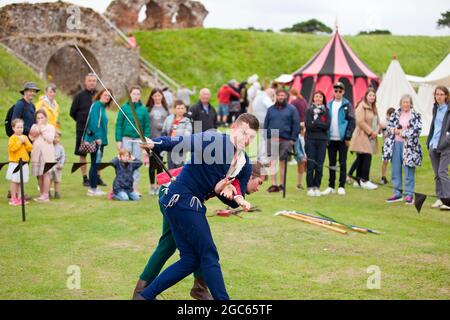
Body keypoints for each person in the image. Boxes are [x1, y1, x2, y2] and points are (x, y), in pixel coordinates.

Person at [137, 113, 260, 300]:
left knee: (190, 260)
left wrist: (236, 198)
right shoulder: (215, 140)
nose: (247, 139)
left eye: (251, 137)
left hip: (190, 204)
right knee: (209, 254)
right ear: (234, 127)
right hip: (180, 198)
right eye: (244, 133)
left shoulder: (245, 164)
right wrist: (155, 143)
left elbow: (232, 195)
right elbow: (184, 142)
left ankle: (145, 296)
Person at [383, 95, 422, 205]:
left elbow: (417, 130)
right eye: (404, 102)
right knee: (395, 169)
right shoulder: (396, 114)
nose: (405, 104)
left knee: (409, 170)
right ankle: (397, 193)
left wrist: (403, 133)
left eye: (407, 102)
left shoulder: (415, 115)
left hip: (409, 147)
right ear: (401, 103)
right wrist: (394, 130)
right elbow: (389, 126)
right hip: (396, 144)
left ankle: (409, 194)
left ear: (411, 103)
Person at [321, 82, 355, 196]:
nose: (338, 93)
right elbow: (325, 120)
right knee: (331, 162)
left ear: (343, 92)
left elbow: (352, 121)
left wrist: (348, 136)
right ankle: (331, 186)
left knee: (342, 162)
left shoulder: (347, 104)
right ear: (333, 91)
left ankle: (341, 186)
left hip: (342, 139)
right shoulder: (329, 105)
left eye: (340, 91)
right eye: (336, 91)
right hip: (331, 138)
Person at [115, 85, 150, 195]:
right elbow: (119, 124)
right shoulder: (124, 108)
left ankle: (134, 188)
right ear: (130, 95)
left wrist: (145, 141)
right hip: (126, 138)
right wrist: (118, 140)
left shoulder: (143, 110)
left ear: (140, 95)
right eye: (134, 94)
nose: (136, 96)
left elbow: (146, 127)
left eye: (138, 94)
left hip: (138, 140)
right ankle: (122, 186)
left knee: (136, 163)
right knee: (124, 162)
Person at [264, 89, 300, 193]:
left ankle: (282, 185)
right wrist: (267, 137)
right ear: (276, 96)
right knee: (272, 163)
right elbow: (266, 124)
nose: (280, 97)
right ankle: (274, 184)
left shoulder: (292, 109)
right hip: (272, 138)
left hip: (285, 139)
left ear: (286, 96)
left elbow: (296, 124)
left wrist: (293, 139)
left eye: (282, 95)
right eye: (279, 95)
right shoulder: (270, 109)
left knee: (283, 162)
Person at [70, 73, 97, 187]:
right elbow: (72, 112)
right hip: (82, 129)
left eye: (94, 81)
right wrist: (82, 121)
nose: (92, 83)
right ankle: (85, 177)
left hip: (96, 131)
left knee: (96, 154)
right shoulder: (79, 96)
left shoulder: (99, 95)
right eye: (90, 80)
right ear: (85, 82)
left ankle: (95, 177)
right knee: (83, 154)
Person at [349, 88, 379, 190]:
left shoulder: (373, 107)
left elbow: (375, 121)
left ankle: (357, 181)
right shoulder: (361, 106)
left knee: (361, 158)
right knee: (366, 156)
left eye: (373, 95)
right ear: (366, 96)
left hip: (370, 136)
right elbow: (360, 121)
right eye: (370, 95)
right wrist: (371, 131)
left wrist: (377, 129)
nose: (372, 97)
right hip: (362, 135)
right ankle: (364, 180)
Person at [84, 88, 112, 197]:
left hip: (101, 140)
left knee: (96, 163)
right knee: (95, 163)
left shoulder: (102, 107)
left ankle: (94, 187)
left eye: (109, 96)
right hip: (96, 140)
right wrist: (97, 136)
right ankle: (92, 188)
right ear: (100, 95)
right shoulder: (97, 105)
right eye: (105, 95)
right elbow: (93, 122)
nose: (107, 97)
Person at [427, 86, 450, 210]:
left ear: (446, 96)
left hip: (446, 147)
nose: (439, 96)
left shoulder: (449, 109)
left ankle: (448, 199)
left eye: (441, 94)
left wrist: (445, 142)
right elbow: (434, 126)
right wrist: (429, 142)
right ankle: (440, 198)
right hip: (433, 145)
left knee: (442, 172)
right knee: (437, 174)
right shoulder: (435, 108)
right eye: (437, 94)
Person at [304, 91, 331, 197]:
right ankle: (310, 187)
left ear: (323, 99)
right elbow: (308, 125)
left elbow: (327, 126)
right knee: (311, 165)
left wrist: (315, 123)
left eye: (320, 97)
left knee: (319, 165)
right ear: (313, 98)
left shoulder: (326, 111)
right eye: (316, 96)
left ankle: (317, 186)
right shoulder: (309, 110)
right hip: (310, 140)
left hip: (322, 140)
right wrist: (319, 124)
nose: (318, 98)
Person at [146, 88, 170, 195]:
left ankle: (159, 185)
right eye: (155, 96)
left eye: (159, 95)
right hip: (150, 140)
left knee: (160, 164)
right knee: (152, 164)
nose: (157, 97)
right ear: (152, 97)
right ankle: (152, 186)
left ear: (162, 96)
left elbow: (169, 123)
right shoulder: (149, 109)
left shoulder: (166, 109)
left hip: (161, 141)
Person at [29, 109, 56, 202]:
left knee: (46, 173)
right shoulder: (34, 126)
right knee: (39, 174)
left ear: (46, 118)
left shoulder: (50, 127)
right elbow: (31, 137)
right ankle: (41, 194)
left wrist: (42, 129)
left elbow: (50, 139)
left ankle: (46, 195)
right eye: (38, 118)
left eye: (42, 117)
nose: (40, 119)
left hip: (47, 154)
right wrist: (38, 128)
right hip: (36, 153)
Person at [6, 119, 33, 206]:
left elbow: (30, 148)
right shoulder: (12, 138)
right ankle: (13, 198)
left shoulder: (24, 137)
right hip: (15, 163)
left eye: (21, 127)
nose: (20, 129)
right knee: (15, 181)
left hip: (24, 163)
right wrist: (19, 142)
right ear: (13, 128)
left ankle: (20, 198)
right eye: (18, 127)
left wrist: (25, 142)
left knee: (22, 182)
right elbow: (12, 149)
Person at [162, 100, 193, 169]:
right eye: (178, 108)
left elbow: (187, 136)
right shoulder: (169, 119)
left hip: (180, 148)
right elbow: (164, 132)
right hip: (170, 148)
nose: (180, 110)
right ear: (174, 109)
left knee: (179, 169)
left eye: (182, 108)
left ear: (185, 109)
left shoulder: (187, 121)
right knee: (170, 169)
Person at [290, 88, 308, 190]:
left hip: (298, 128)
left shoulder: (293, 101)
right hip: (305, 127)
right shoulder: (303, 100)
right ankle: (300, 183)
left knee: (300, 159)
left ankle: (299, 183)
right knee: (303, 158)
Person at [253, 88, 275, 165]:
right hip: (264, 121)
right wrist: (274, 100)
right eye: (272, 94)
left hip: (258, 120)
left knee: (261, 140)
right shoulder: (265, 97)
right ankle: (262, 158)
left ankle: (259, 157)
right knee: (264, 140)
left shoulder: (258, 97)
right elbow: (272, 107)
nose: (272, 96)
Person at [380, 107, 396, 184]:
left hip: (394, 144)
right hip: (386, 145)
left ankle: (394, 177)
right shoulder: (384, 122)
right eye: (390, 115)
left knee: (395, 161)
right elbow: (380, 131)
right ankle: (383, 177)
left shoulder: (396, 122)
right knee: (385, 161)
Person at [50, 130, 65, 199]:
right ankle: (48, 192)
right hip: (50, 166)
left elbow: (63, 157)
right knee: (49, 180)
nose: (56, 139)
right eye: (54, 137)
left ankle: (56, 192)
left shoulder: (61, 147)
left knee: (57, 180)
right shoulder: (49, 146)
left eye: (57, 137)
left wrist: (61, 164)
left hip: (58, 167)